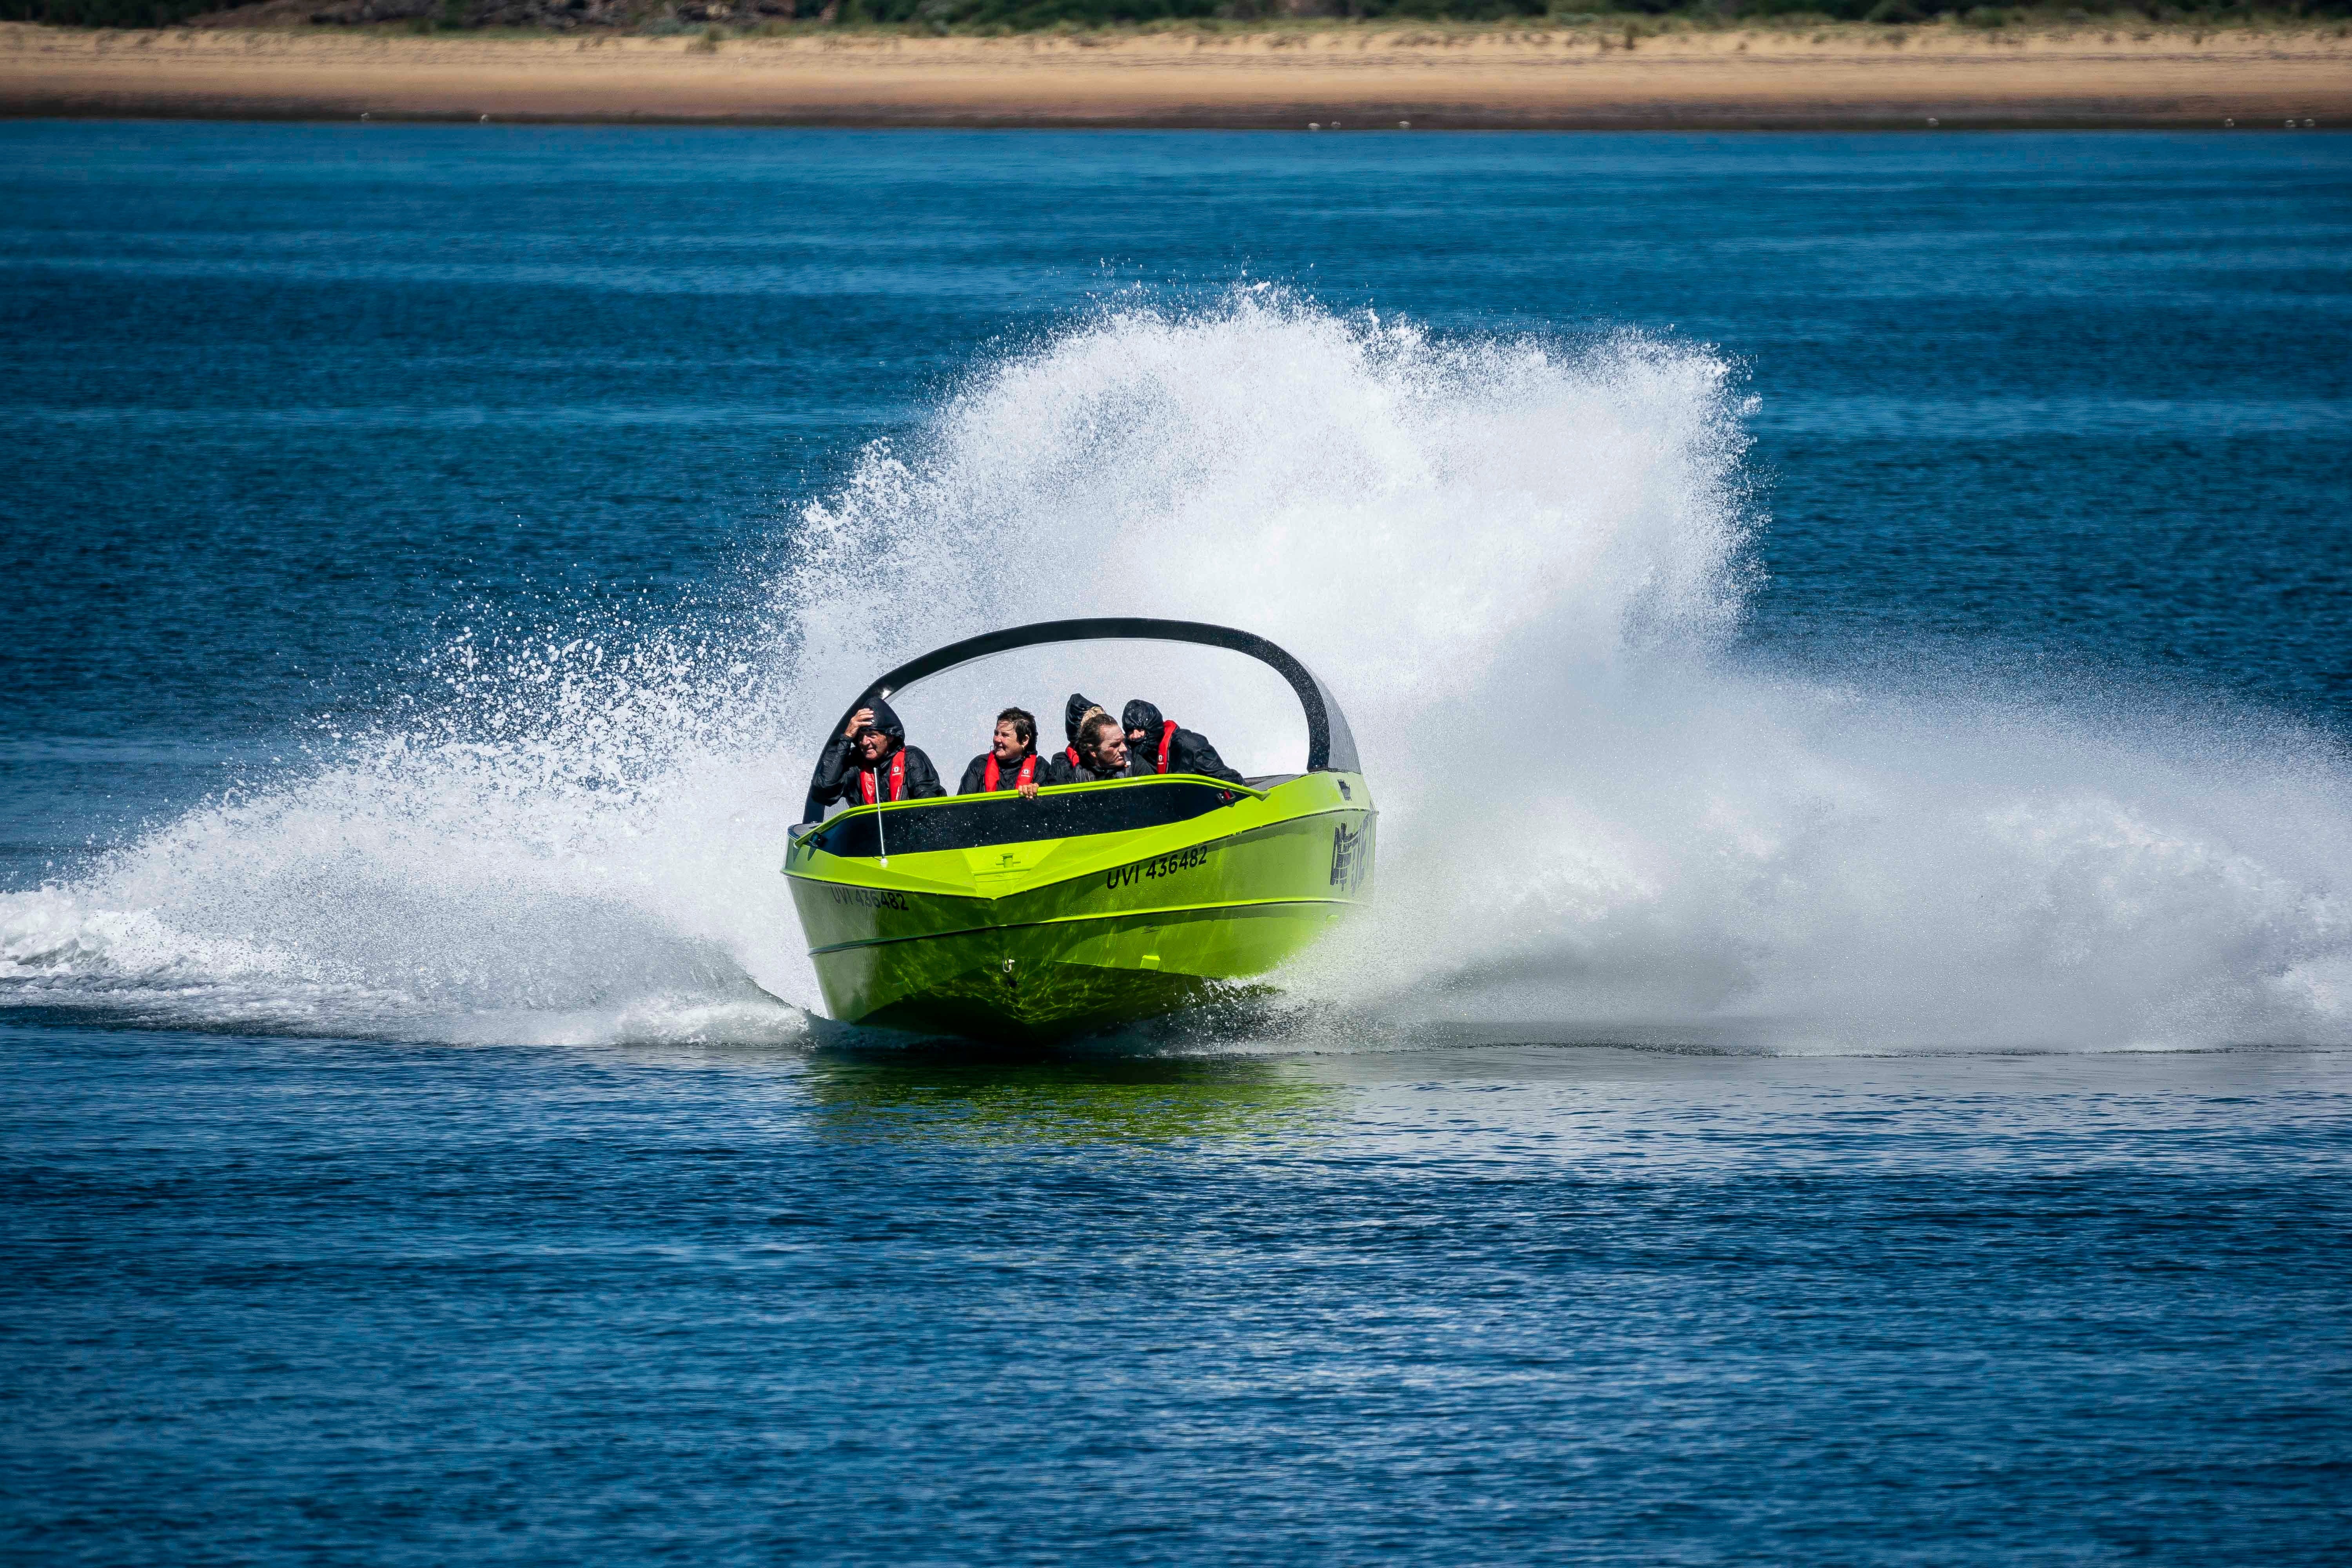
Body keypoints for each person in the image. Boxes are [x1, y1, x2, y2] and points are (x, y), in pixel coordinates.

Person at [808, 697, 944, 811]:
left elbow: (929, 808)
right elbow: (823, 789)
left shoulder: (912, 758)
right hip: (869, 839)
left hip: (911, 838)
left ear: (890, 737)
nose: (865, 742)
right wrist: (847, 737)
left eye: (871, 735)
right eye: (860, 736)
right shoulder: (855, 765)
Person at [1120, 699, 1246, 784]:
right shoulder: (1126, 750)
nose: (1135, 736)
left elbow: (1226, 777)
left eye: (1140, 729)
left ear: (1152, 726)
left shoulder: (1190, 745)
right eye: (1130, 731)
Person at [958, 706, 1043, 799]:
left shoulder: (1040, 768)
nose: (997, 740)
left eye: (1005, 735)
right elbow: (961, 807)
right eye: (996, 733)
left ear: (1024, 740)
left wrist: (1035, 793)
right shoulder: (979, 765)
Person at [1054, 708, 1133, 784]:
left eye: (1123, 741)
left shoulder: (1136, 766)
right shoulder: (1076, 778)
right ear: (1093, 752)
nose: (1124, 749)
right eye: (1115, 745)